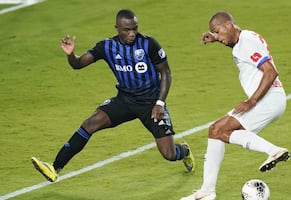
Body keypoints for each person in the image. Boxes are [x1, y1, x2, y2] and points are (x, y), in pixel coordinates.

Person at [31, 9, 195, 182]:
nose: (132, 33)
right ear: (117, 27)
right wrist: (71, 55)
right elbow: (78, 65)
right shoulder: (107, 46)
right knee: (90, 123)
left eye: (135, 28)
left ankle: (184, 151)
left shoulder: (149, 44)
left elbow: (166, 73)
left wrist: (160, 103)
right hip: (125, 100)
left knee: (168, 154)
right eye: (127, 30)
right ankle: (55, 167)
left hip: (151, 103)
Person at [179, 11, 290, 200]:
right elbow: (237, 45)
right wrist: (216, 38)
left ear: (229, 25)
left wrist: (252, 101)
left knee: (219, 130)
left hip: (267, 99)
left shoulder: (246, 41)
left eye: (218, 31)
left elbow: (270, 72)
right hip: (271, 99)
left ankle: (274, 151)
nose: (218, 37)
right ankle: (207, 190)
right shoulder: (242, 41)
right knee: (216, 131)